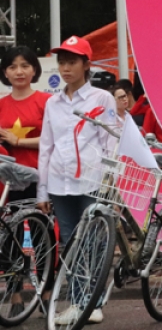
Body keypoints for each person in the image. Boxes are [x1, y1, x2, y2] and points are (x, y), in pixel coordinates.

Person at [37, 36, 117, 325]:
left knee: (93, 243)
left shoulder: (102, 98)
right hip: (60, 183)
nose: (65, 68)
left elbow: (111, 143)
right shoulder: (52, 103)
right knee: (70, 243)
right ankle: (81, 301)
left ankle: (88, 303)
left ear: (87, 64)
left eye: (72, 62)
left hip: (92, 181)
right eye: (62, 62)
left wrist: (111, 186)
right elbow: (46, 146)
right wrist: (42, 191)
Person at [0, 46, 51, 201]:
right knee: (11, 224)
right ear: (5, 73)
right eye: (12, 67)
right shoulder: (1, 104)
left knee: (41, 224)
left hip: (41, 176)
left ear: (34, 70)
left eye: (25, 66)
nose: (19, 72)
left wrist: (18, 141)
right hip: (7, 179)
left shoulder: (47, 101)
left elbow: (56, 140)